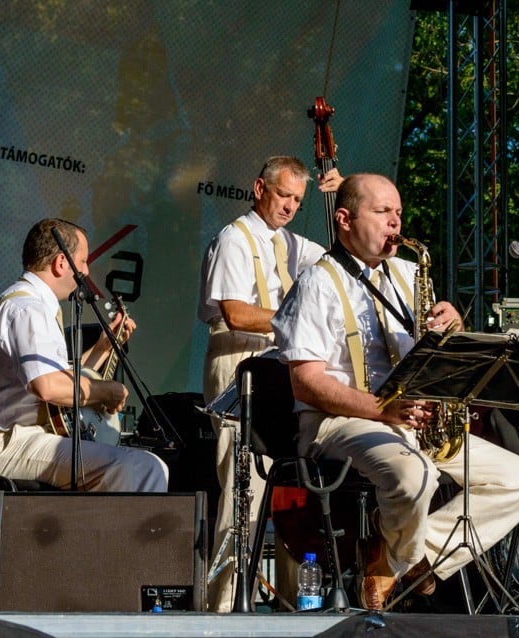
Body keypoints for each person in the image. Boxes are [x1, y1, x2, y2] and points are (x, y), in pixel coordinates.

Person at [272, 173, 519, 610]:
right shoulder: (316, 282)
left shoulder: (409, 273)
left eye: (398, 213)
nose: (395, 223)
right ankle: (401, 558)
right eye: (382, 213)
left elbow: (431, 357)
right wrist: (381, 408)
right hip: (339, 422)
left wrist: (452, 329)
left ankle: (404, 559)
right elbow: (306, 381)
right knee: (417, 477)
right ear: (344, 219)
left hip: (411, 421)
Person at [197, 156, 341, 612]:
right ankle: (222, 609)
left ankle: (298, 601)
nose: (291, 206)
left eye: (298, 200)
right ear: (259, 188)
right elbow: (235, 312)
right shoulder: (234, 240)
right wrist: (294, 322)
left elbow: (346, 259)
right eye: (284, 196)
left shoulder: (297, 245)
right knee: (243, 492)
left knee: (290, 487)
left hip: (279, 369)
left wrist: (343, 192)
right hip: (240, 363)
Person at [0, 218, 168, 492]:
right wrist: (106, 391)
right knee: (144, 467)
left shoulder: (28, 304)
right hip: (4, 444)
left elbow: (59, 381)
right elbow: (47, 387)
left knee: (137, 466)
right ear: (61, 263)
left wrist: (103, 348)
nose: (85, 271)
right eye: (82, 262)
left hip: (20, 438)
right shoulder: (28, 309)